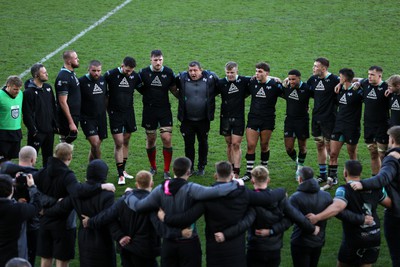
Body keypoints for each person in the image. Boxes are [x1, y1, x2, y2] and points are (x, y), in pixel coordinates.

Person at [125, 157, 285, 267]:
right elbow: (266, 198)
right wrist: (237, 184)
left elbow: (140, 207)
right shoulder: (198, 190)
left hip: (185, 246)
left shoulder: (163, 190)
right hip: (217, 248)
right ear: (189, 172)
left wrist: (128, 195)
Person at [158, 162, 305, 267]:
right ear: (232, 175)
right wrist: (281, 191)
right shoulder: (243, 194)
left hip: (214, 249)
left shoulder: (207, 196)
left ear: (215, 176)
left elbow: (188, 217)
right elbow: (267, 198)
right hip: (236, 250)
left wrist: (166, 218)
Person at [33, 143, 115, 267]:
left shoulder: (42, 171)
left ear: (55, 154)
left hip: (44, 221)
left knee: (46, 257)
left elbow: (33, 191)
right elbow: (78, 192)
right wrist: (101, 186)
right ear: (70, 157)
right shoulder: (68, 175)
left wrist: (43, 208)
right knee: (62, 259)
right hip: (63, 224)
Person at [307, 160, 391, 267]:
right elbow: (390, 204)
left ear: (345, 173)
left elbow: (337, 207)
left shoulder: (344, 189)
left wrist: (317, 217)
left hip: (354, 238)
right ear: (360, 173)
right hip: (374, 236)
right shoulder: (374, 187)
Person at [82, 170, 170, 267]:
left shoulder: (124, 200)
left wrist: (90, 221)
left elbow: (107, 215)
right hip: (146, 250)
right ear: (152, 183)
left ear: (136, 184)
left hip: (127, 248)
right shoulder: (155, 204)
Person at [246, 165, 319, 267]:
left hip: (255, 248)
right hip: (274, 249)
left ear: (252, 181)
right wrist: (312, 229)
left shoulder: (249, 200)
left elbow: (243, 222)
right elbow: (295, 217)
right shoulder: (280, 198)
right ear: (268, 180)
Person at [351, 125, 400, 267]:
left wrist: (362, 184)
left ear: (392, 140)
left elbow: (383, 178)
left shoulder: (392, 159)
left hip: (396, 216)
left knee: (397, 256)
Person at [137, 50, 178, 179]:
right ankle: (153, 167)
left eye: (160, 60)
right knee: (151, 139)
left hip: (164, 110)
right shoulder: (143, 73)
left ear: (163, 60)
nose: (158, 62)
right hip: (149, 111)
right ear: (151, 60)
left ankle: (166, 170)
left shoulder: (168, 72)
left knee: (166, 138)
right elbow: (138, 87)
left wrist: (185, 100)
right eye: (155, 60)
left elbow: (173, 90)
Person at [176, 61, 219, 176]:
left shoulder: (211, 77)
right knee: (188, 144)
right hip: (187, 120)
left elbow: (221, 87)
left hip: (203, 119)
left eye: (195, 70)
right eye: (190, 70)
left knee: (203, 142)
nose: (193, 73)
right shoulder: (181, 78)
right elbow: (169, 84)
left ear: (201, 70)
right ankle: (189, 167)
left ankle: (202, 166)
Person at [242, 62, 283, 181]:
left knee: (264, 145)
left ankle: (264, 170)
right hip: (253, 118)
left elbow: (288, 94)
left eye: (260, 71)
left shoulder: (275, 85)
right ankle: (249, 172)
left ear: (266, 73)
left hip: (268, 119)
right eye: (256, 71)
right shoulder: (252, 82)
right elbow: (239, 79)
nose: (256, 74)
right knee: (250, 145)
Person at [1, 146, 41, 267]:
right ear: (33, 160)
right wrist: (32, 187)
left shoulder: (6, 170)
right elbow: (36, 206)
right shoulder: (18, 209)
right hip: (26, 233)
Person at [105, 56, 141, 185]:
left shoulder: (135, 77)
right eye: (127, 70)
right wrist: (106, 109)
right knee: (119, 142)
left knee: (126, 140)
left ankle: (123, 170)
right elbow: (103, 93)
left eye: (131, 71)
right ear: (122, 65)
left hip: (129, 113)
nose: (128, 73)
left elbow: (142, 88)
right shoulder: (110, 75)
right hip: (115, 113)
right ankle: (120, 175)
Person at [289, 166, 333, 267]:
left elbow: (293, 219)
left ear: (300, 179)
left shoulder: (295, 198)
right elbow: (332, 214)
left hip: (300, 242)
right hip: (318, 240)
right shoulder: (326, 196)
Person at [327, 68, 363, 186]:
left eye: (340, 76)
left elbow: (368, 83)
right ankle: (332, 179)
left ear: (346, 78)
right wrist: (339, 84)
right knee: (333, 154)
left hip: (352, 127)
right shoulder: (340, 90)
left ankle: (354, 179)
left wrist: (358, 82)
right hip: (339, 126)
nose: (339, 78)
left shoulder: (358, 92)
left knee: (352, 154)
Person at [307, 57, 340, 183]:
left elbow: (348, 81)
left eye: (316, 66)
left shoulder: (335, 80)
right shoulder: (313, 79)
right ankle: (323, 175)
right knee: (319, 146)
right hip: (316, 118)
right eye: (314, 65)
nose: (313, 68)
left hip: (330, 119)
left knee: (330, 149)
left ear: (324, 68)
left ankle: (333, 176)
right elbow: (306, 92)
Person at [217, 61, 250, 177]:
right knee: (229, 143)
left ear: (237, 71)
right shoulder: (220, 83)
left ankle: (236, 171)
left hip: (238, 117)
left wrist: (274, 78)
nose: (230, 75)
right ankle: (230, 168)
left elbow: (259, 77)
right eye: (228, 73)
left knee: (236, 144)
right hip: (225, 117)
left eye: (232, 72)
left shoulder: (243, 80)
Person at [23, 63, 58, 167]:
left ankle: (46, 181)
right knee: (30, 160)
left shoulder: (48, 88)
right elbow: (27, 114)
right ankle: (28, 181)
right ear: (36, 75)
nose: (47, 74)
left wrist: (55, 125)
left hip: (49, 131)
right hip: (37, 132)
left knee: (48, 158)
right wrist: (33, 131)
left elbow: (53, 107)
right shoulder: (28, 93)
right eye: (44, 73)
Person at [359, 66, 390, 175]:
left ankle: (385, 181)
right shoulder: (365, 83)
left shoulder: (387, 87)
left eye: (372, 75)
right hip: (368, 125)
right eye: (369, 74)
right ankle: (374, 179)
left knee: (383, 155)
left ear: (380, 76)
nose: (369, 77)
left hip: (382, 126)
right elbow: (355, 79)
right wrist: (356, 83)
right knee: (373, 153)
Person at [281, 69, 312, 177]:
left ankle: (300, 167)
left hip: (302, 120)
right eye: (289, 79)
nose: (291, 81)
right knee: (289, 148)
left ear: (299, 78)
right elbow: (270, 80)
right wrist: (277, 79)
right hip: (289, 120)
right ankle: (299, 162)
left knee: (302, 147)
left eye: (293, 79)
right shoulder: (286, 87)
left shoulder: (307, 89)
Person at [79, 60, 108, 161]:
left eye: (99, 70)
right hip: (87, 118)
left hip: (101, 117)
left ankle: (92, 169)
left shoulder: (103, 80)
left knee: (96, 146)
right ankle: (99, 168)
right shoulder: (81, 82)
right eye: (94, 70)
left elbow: (105, 97)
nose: (96, 73)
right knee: (95, 143)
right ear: (88, 69)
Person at [55, 50, 80, 143]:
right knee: (65, 145)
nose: (78, 60)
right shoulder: (63, 77)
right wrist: (71, 122)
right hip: (66, 119)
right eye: (76, 58)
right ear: (69, 61)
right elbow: (62, 102)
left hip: (73, 115)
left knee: (67, 144)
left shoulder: (71, 73)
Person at [0, 75, 23, 164]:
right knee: (2, 160)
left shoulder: (20, 94)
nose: (17, 92)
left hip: (16, 131)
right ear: (8, 85)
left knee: (9, 160)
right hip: (3, 133)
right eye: (15, 89)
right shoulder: (0, 96)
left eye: (19, 89)